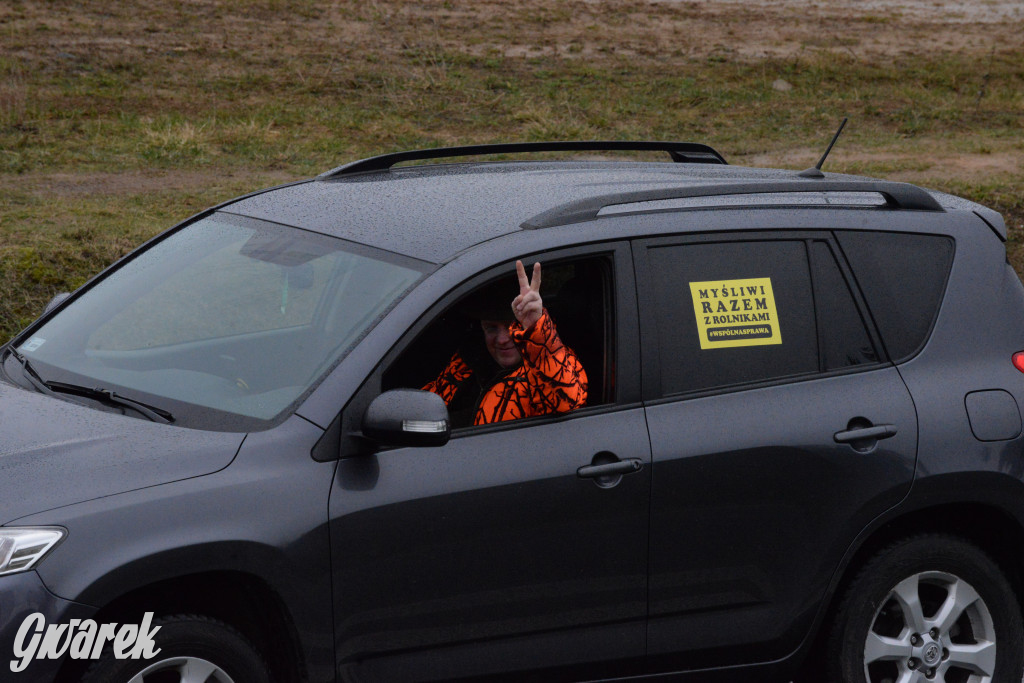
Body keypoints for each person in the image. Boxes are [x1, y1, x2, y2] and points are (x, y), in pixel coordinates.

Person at [423, 260, 587, 427]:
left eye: (512, 326)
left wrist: (535, 332)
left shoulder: (556, 362)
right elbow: (425, 409)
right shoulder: (467, 359)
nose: (502, 339)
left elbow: (566, 401)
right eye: (492, 328)